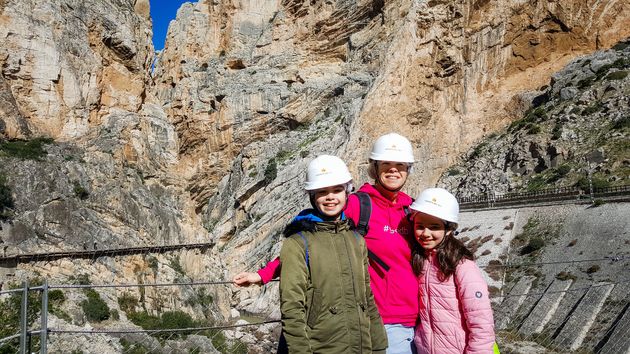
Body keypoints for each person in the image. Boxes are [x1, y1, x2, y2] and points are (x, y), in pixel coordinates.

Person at [234, 133, 419, 353]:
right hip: (380, 319)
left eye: (400, 164)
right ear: (375, 167)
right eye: (386, 164)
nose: (393, 170)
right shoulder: (357, 205)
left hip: (416, 319)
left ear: (408, 169)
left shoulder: (412, 210)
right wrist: (263, 275)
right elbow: (309, 242)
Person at [279, 155, 387, 353]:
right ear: (313, 196)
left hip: (361, 346)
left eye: (337, 190)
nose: (330, 197)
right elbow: (292, 307)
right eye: (322, 192)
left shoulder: (356, 240)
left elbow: (367, 297)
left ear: (347, 192)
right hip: (321, 346)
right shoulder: (298, 243)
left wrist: (379, 345)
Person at [409, 188, 495, 353]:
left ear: (448, 229)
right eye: (420, 226)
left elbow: (481, 322)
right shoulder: (420, 261)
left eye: (434, 227)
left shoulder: (462, 266)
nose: (425, 233)